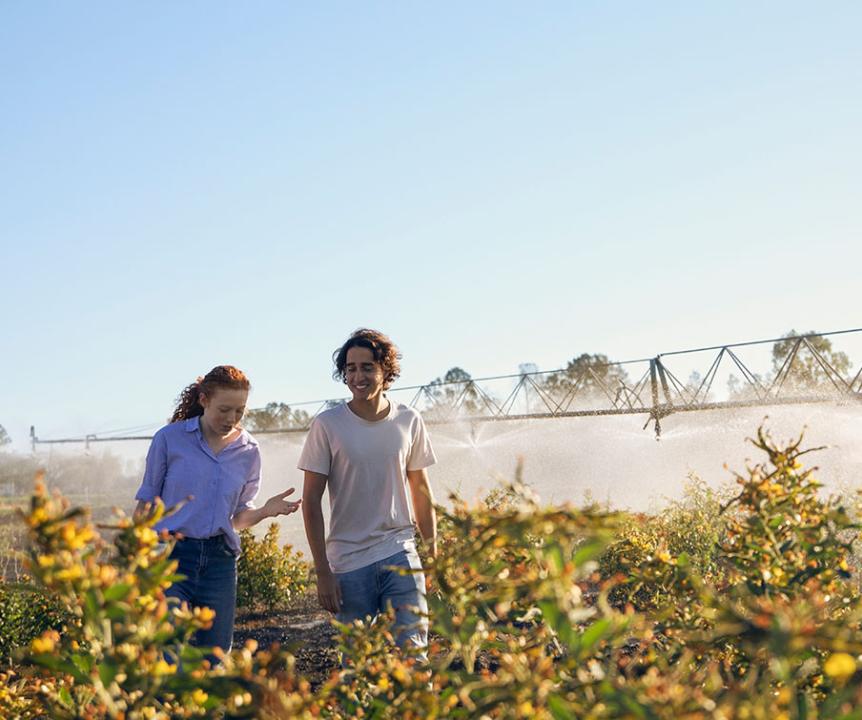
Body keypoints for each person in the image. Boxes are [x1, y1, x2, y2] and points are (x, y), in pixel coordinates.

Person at [134, 365, 301, 654]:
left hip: (219, 562)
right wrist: (136, 557)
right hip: (170, 557)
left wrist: (264, 511)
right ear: (204, 400)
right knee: (166, 652)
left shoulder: (249, 451)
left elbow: (237, 519)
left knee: (215, 655)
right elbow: (146, 504)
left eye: (240, 411)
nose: (231, 419)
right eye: (224, 409)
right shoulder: (169, 439)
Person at [299, 328, 437, 651]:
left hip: (400, 552)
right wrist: (322, 571)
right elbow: (310, 501)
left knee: (414, 654)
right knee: (357, 666)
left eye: (367, 367)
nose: (357, 376)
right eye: (350, 368)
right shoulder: (328, 425)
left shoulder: (409, 421)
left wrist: (432, 556)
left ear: (385, 371)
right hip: (348, 564)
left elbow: (421, 490)